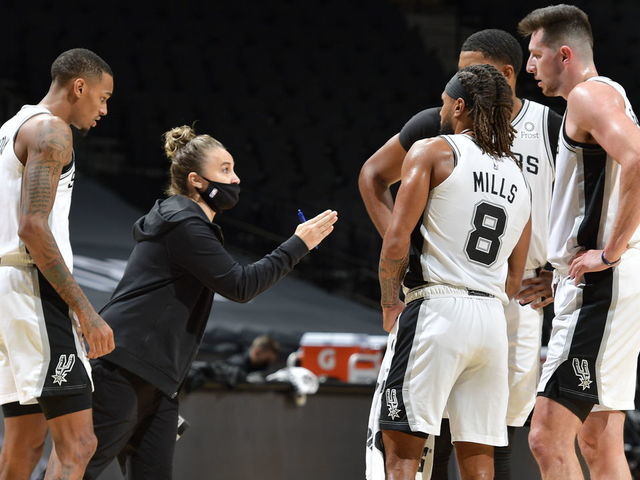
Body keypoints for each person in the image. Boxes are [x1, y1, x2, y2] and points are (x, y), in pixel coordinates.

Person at [82, 125, 338, 479]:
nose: (236, 179)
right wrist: (298, 244)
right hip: (125, 366)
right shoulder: (184, 222)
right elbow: (240, 285)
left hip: (159, 377)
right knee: (75, 470)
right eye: (225, 170)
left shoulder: (183, 221)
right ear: (196, 181)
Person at [361, 29, 560, 480]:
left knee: (401, 453)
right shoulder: (516, 174)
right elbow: (514, 277)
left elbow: (396, 242)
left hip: (437, 308)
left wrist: (391, 299)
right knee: (480, 459)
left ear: (457, 106)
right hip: (494, 317)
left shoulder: (434, 149)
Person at [518, 5, 640, 480]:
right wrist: (565, 267)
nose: (531, 66)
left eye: (536, 54)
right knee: (598, 440)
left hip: (603, 287)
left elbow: (636, 159)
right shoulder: (608, 94)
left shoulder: (589, 96)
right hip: (601, 283)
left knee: (547, 436)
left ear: (563, 55)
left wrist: (608, 253)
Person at [0, 48, 115, 480]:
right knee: (79, 444)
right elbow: (32, 227)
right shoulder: (52, 130)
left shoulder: (14, 124)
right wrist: (86, 312)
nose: (103, 110)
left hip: (8, 292)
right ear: (78, 87)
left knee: (23, 444)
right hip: (33, 291)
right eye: (102, 98)